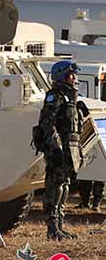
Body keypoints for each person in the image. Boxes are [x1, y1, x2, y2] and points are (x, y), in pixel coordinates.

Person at [37, 60, 84, 241]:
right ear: (63, 76)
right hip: (58, 150)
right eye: (71, 75)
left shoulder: (70, 98)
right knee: (54, 187)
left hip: (69, 150)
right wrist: (55, 148)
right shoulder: (55, 96)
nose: (75, 79)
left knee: (64, 187)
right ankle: (52, 227)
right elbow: (47, 125)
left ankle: (60, 226)